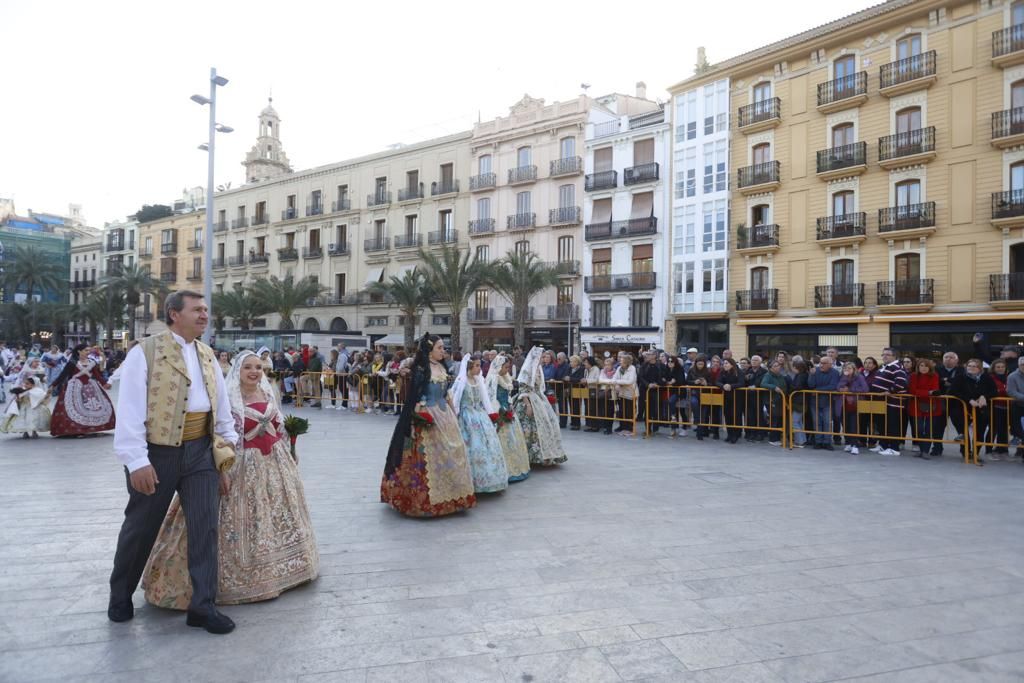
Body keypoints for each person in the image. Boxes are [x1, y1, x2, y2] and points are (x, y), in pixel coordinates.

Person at [142, 351, 319, 608]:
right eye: (248, 367)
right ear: (238, 370)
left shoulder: (269, 393)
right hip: (240, 464)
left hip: (274, 464)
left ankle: (284, 571)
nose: (254, 372)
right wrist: (221, 470)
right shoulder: (229, 399)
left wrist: (291, 447)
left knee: (274, 515)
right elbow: (221, 437)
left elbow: (278, 426)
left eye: (258, 367)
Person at [108, 290, 239, 634]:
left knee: (205, 528)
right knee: (141, 527)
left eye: (206, 309)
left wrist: (224, 459)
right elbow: (130, 409)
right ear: (173, 314)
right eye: (197, 309)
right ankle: (119, 595)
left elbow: (221, 409)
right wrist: (136, 460)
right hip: (158, 452)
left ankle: (203, 606)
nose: (204, 315)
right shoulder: (145, 353)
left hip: (201, 451)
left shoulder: (209, 355)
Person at [381, 334, 477, 517]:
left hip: (445, 415)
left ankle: (454, 497)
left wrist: (452, 410)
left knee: (454, 452)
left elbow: (446, 392)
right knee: (431, 457)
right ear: (430, 350)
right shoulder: (421, 369)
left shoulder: (441, 366)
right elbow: (415, 395)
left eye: (443, 348)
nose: (443, 351)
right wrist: (419, 415)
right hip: (428, 414)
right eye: (440, 348)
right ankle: (428, 501)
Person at [450, 356, 508, 493]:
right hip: (466, 418)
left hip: (480, 416)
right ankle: (472, 481)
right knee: (472, 447)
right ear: (469, 367)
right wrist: (454, 416)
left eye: (479, 365)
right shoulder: (461, 381)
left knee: (488, 445)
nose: (479, 368)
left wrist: (491, 413)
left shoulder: (479, 380)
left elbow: (485, 399)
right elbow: (455, 399)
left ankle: (491, 479)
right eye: (476, 366)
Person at [513, 346, 568, 464]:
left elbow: (539, 387)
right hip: (528, 400)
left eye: (544, 357)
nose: (543, 359)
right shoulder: (527, 370)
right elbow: (522, 389)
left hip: (539, 399)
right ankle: (530, 456)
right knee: (529, 428)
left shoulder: (539, 369)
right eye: (542, 357)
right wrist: (528, 405)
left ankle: (547, 455)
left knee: (548, 425)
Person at [49, 344, 116, 437]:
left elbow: (97, 375)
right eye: (86, 350)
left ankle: (91, 427)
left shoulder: (92, 362)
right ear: (79, 351)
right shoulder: (72, 362)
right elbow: (63, 375)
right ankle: (77, 429)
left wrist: (105, 383)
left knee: (93, 406)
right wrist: (53, 385)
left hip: (91, 386)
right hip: (75, 387)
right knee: (74, 407)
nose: (88, 352)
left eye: (89, 350)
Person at [485, 354, 530, 482]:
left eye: (508, 367)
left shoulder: (506, 377)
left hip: (507, 408)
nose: (507, 370)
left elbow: (508, 394)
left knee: (513, 439)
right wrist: (498, 410)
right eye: (505, 367)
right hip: (498, 409)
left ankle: (515, 467)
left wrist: (509, 406)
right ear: (499, 366)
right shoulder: (493, 378)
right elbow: (491, 396)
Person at [951, 358, 997, 463]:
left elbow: (994, 391)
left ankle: (975, 453)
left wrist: (984, 397)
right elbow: (953, 391)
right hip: (963, 407)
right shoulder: (960, 377)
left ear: (980, 368)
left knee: (980, 431)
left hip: (980, 408)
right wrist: (969, 400)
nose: (971, 368)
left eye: (974, 366)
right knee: (963, 430)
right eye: (969, 366)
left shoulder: (986, 378)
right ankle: (966, 452)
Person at [870, 348, 909, 456]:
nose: (884, 356)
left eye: (888, 354)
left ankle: (894, 448)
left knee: (892, 426)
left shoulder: (897, 367)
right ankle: (883, 445)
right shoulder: (884, 367)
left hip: (893, 403)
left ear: (894, 356)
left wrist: (890, 391)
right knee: (882, 425)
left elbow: (901, 383)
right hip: (882, 402)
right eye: (883, 354)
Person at [908, 358, 944, 460]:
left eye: (926, 366)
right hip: (916, 406)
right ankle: (921, 449)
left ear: (930, 367)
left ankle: (925, 451)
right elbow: (912, 390)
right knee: (918, 429)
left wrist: (924, 393)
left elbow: (935, 389)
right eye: (921, 366)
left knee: (928, 429)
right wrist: (928, 393)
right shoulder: (913, 376)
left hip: (932, 406)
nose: (923, 368)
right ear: (918, 367)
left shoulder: (934, 375)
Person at [807, 356, 840, 451]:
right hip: (814, 402)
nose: (821, 365)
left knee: (827, 422)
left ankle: (827, 442)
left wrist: (817, 390)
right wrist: (812, 375)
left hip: (828, 402)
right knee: (817, 422)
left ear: (830, 364)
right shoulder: (815, 371)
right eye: (821, 362)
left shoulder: (835, 373)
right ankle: (818, 442)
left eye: (824, 363)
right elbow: (810, 385)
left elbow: (833, 386)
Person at [836, 361, 868, 455]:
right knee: (845, 425)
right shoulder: (843, 377)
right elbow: (838, 387)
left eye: (849, 368)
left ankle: (855, 445)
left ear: (854, 369)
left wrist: (850, 390)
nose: (847, 370)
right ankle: (848, 443)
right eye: (845, 368)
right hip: (843, 404)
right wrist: (843, 383)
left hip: (855, 405)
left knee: (853, 426)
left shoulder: (859, 377)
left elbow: (865, 389)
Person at [760, 360, 791, 446]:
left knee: (779, 419)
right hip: (771, 400)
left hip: (781, 400)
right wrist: (774, 387)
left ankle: (778, 437)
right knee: (774, 419)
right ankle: (773, 438)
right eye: (775, 366)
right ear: (771, 368)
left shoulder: (780, 375)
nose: (778, 367)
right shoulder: (768, 375)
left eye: (778, 365)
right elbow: (763, 384)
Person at [988, 358, 1011, 459]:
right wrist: (1003, 391)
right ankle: (988, 449)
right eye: (998, 367)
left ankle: (1002, 449)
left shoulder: (1009, 377)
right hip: (995, 406)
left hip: (1008, 406)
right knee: (993, 428)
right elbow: (993, 391)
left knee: (1004, 429)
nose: (1000, 369)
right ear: (994, 368)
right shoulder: (990, 378)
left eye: (1002, 367)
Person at [611, 353, 638, 437]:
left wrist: (618, 383)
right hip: (622, 393)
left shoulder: (632, 368)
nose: (620, 362)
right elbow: (614, 378)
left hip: (630, 393)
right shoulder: (619, 368)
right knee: (622, 411)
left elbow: (630, 381)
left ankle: (629, 429)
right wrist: (617, 384)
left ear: (627, 362)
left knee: (629, 411)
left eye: (622, 361)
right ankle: (623, 427)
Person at [687, 354, 713, 440]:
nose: (700, 366)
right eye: (699, 364)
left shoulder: (708, 372)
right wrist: (694, 382)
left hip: (705, 394)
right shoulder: (691, 370)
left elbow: (712, 383)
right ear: (696, 364)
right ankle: (696, 420)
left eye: (702, 364)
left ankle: (700, 433)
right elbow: (687, 381)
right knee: (694, 404)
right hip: (694, 393)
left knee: (703, 413)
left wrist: (706, 384)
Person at [595, 357, 618, 435]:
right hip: (603, 393)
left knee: (610, 411)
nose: (606, 366)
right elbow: (600, 380)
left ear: (612, 365)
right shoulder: (602, 371)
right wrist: (609, 382)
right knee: (603, 410)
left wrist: (608, 382)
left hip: (612, 394)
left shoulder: (616, 372)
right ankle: (605, 427)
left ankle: (609, 428)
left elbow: (614, 381)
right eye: (605, 365)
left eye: (608, 365)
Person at [790, 360, 810, 448]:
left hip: (799, 401)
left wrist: (790, 389)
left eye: (793, 367)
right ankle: (803, 440)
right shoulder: (804, 375)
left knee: (794, 421)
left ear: (796, 367)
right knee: (799, 421)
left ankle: (800, 441)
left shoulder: (801, 376)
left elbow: (798, 387)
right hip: (800, 400)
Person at [565, 355, 585, 431]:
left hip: (577, 389)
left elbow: (580, 378)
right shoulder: (569, 368)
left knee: (576, 407)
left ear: (577, 362)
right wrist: (565, 378)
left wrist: (570, 379)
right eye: (570, 361)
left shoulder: (581, 369)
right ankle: (573, 422)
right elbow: (564, 376)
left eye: (572, 361)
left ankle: (577, 424)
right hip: (570, 390)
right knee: (571, 406)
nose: (570, 363)